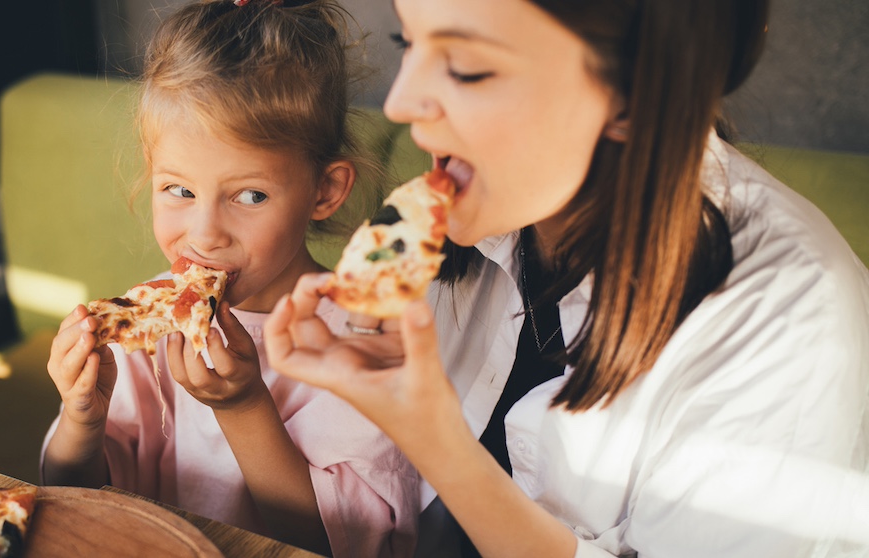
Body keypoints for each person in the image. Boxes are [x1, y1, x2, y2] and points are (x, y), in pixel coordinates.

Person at [264, 0, 869, 557]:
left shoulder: (789, 318)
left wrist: (434, 439)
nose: (399, 103)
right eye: (410, 42)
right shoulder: (463, 221)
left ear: (633, 96)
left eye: (467, 67)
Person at [40, 1, 420, 556]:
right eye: (178, 189)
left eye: (250, 195)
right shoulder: (148, 331)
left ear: (325, 190)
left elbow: (340, 545)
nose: (206, 232)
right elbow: (69, 496)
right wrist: (82, 418)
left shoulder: (365, 346)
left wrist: (243, 407)